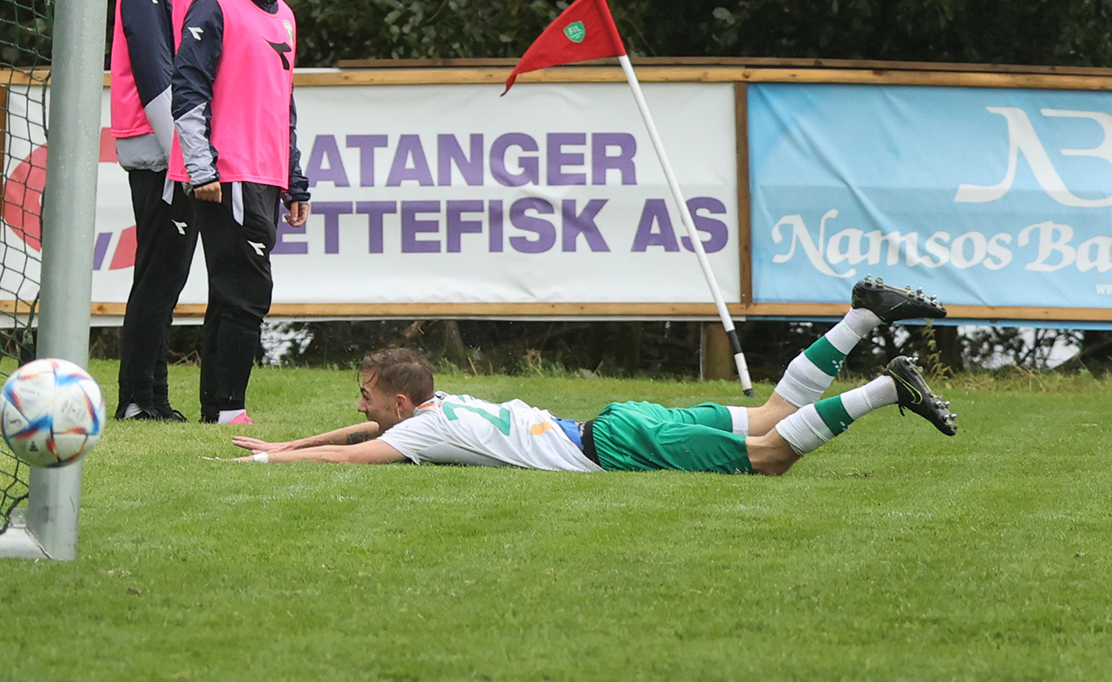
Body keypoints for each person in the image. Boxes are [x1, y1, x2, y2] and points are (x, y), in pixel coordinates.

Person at [219, 278, 957, 473]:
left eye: (369, 395)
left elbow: (355, 452)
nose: (361, 404)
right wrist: (283, 445)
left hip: (618, 445)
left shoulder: (430, 427)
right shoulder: (440, 405)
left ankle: (888, 385)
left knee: (769, 457)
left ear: (403, 402)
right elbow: (360, 429)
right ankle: (861, 317)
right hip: (619, 422)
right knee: (769, 415)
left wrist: (276, 465)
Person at [171, 0, 312, 425]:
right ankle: (229, 409)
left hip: (266, 176)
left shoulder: (287, 17)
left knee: (232, 292)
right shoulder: (216, 1)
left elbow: (284, 105)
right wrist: (201, 167)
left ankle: (216, 407)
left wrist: (295, 180)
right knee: (247, 291)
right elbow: (187, 87)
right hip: (225, 173)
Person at [109, 0, 224, 421]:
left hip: (175, 143)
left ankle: (150, 397)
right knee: (160, 271)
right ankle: (137, 398)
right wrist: (183, 150)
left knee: (167, 269)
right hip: (160, 144)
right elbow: (152, 58)